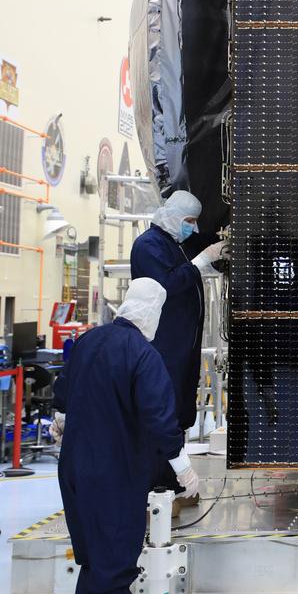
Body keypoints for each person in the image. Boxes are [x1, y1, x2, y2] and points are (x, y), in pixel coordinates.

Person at [53, 278, 199, 594]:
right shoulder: (142, 354)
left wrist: (66, 420)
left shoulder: (89, 340)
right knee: (115, 562)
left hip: (75, 469)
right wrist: (184, 470)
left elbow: (62, 397)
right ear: (153, 313)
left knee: (93, 557)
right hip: (112, 475)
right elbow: (160, 420)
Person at [130, 190, 226, 507]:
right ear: (172, 216)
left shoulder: (172, 247)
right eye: (189, 222)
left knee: (179, 414)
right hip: (164, 350)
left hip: (180, 351)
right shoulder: (148, 246)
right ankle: (157, 492)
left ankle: (173, 486)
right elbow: (167, 287)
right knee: (163, 416)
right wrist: (202, 259)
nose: (192, 229)